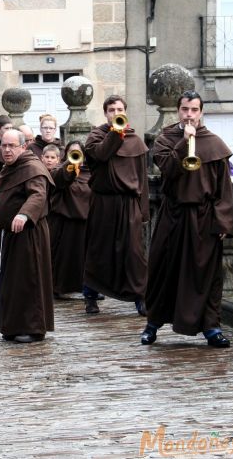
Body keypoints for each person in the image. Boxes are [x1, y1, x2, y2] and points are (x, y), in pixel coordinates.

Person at [142, 91, 233, 348]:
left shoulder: (214, 143)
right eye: (185, 110)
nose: (189, 115)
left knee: (205, 274)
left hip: (204, 218)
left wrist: (223, 221)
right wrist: (183, 143)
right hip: (173, 214)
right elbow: (168, 171)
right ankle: (153, 324)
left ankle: (211, 327)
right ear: (178, 110)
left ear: (201, 111)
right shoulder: (166, 139)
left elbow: (224, 188)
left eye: (194, 110)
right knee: (162, 269)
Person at [0, 129, 54, 343]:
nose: (6, 150)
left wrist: (24, 214)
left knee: (29, 279)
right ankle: (13, 325)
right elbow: (4, 201)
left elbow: (38, 194)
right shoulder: (10, 168)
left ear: (23, 147)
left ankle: (33, 328)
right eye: (4, 146)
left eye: (11, 146)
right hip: (11, 234)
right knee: (12, 282)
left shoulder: (32, 167)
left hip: (30, 233)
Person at [84, 96, 149, 315]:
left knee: (134, 252)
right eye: (112, 110)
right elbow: (101, 154)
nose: (116, 113)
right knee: (98, 250)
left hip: (129, 203)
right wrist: (115, 134)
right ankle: (91, 296)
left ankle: (140, 297)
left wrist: (143, 210)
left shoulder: (136, 141)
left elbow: (142, 178)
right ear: (105, 113)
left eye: (120, 109)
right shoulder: (96, 136)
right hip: (103, 201)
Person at [48, 140, 92, 298]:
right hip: (63, 220)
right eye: (71, 152)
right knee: (62, 256)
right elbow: (60, 180)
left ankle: (86, 288)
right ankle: (58, 287)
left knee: (82, 257)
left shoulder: (90, 172)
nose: (75, 155)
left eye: (78, 152)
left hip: (83, 220)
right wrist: (70, 168)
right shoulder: (59, 171)